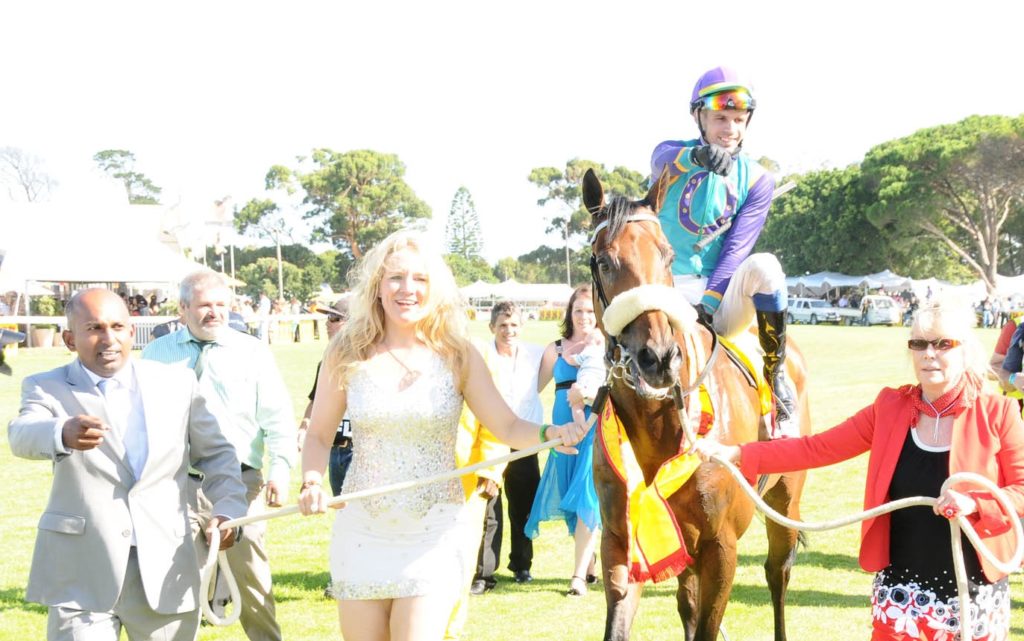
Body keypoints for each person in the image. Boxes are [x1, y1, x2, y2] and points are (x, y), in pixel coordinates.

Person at [296, 230, 585, 641]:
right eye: (395, 277)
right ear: (377, 285)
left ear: (436, 290)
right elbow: (320, 435)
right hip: (361, 530)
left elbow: (505, 425)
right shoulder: (346, 350)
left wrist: (551, 432)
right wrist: (310, 480)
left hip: (433, 530)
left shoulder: (458, 354)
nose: (407, 289)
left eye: (420, 279)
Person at [695, 297, 1024, 641]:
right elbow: (816, 448)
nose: (929, 353)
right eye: (919, 343)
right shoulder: (890, 407)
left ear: (965, 350)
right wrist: (737, 452)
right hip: (901, 590)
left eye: (943, 344)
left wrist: (976, 505)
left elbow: (1021, 490)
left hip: (975, 591)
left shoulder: (998, 412)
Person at [8, 288, 247, 641]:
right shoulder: (46, 387)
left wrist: (228, 509)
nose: (108, 338)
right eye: (94, 328)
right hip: (83, 570)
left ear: (132, 332)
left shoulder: (177, 383)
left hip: (166, 565)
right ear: (70, 338)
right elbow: (22, 434)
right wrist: (61, 431)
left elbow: (217, 455)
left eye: (117, 327)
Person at [143, 270, 295, 641]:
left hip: (242, 483)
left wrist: (281, 471)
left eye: (221, 305)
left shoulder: (253, 352)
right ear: (182, 309)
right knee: (174, 583)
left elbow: (278, 417)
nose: (214, 313)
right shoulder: (155, 353)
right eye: (204, 305)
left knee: (251, 581)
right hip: (177, 483)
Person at [650, 65, 795, 438]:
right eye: (720, 118)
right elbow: (662, 160)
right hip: (664, 293)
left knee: (766, 266)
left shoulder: (759, 179)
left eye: (737, 119)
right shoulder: (671, 155)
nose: (729, 128)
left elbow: (737, 249)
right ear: (700, 118)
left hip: (717, 300)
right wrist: (697, 158)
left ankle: (776, 376)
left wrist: (708, 307)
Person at [525, 284, 603, 597]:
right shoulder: (554, 349)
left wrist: (588, 394)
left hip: (593, 428)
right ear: (569, 313)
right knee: (570, 499)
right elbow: (532, 388)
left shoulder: (605, 347)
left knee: (586, 495)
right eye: (578, 310)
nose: (584, 316)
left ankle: (577, 578)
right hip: (561, 430)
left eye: (589, 311)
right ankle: (590, 558)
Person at [468, 301, 545, 595]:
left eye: (513, 325)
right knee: (489, 507)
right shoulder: (482, 355)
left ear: (522, 327)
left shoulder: (535, 355)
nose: (508, 330)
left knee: (523, 507)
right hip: (489, 440)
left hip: (523, 440)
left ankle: (522, 564)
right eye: (502, 325)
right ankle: (484, 573)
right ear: (492, 328)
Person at [298, 297, 355, 496]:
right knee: (343, 514)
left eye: (333, 318)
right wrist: (305, 425)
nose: (326, 324)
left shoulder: (370, 360)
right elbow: (315, 400)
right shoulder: (328, 360)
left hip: (359, 452)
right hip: (334, 451)